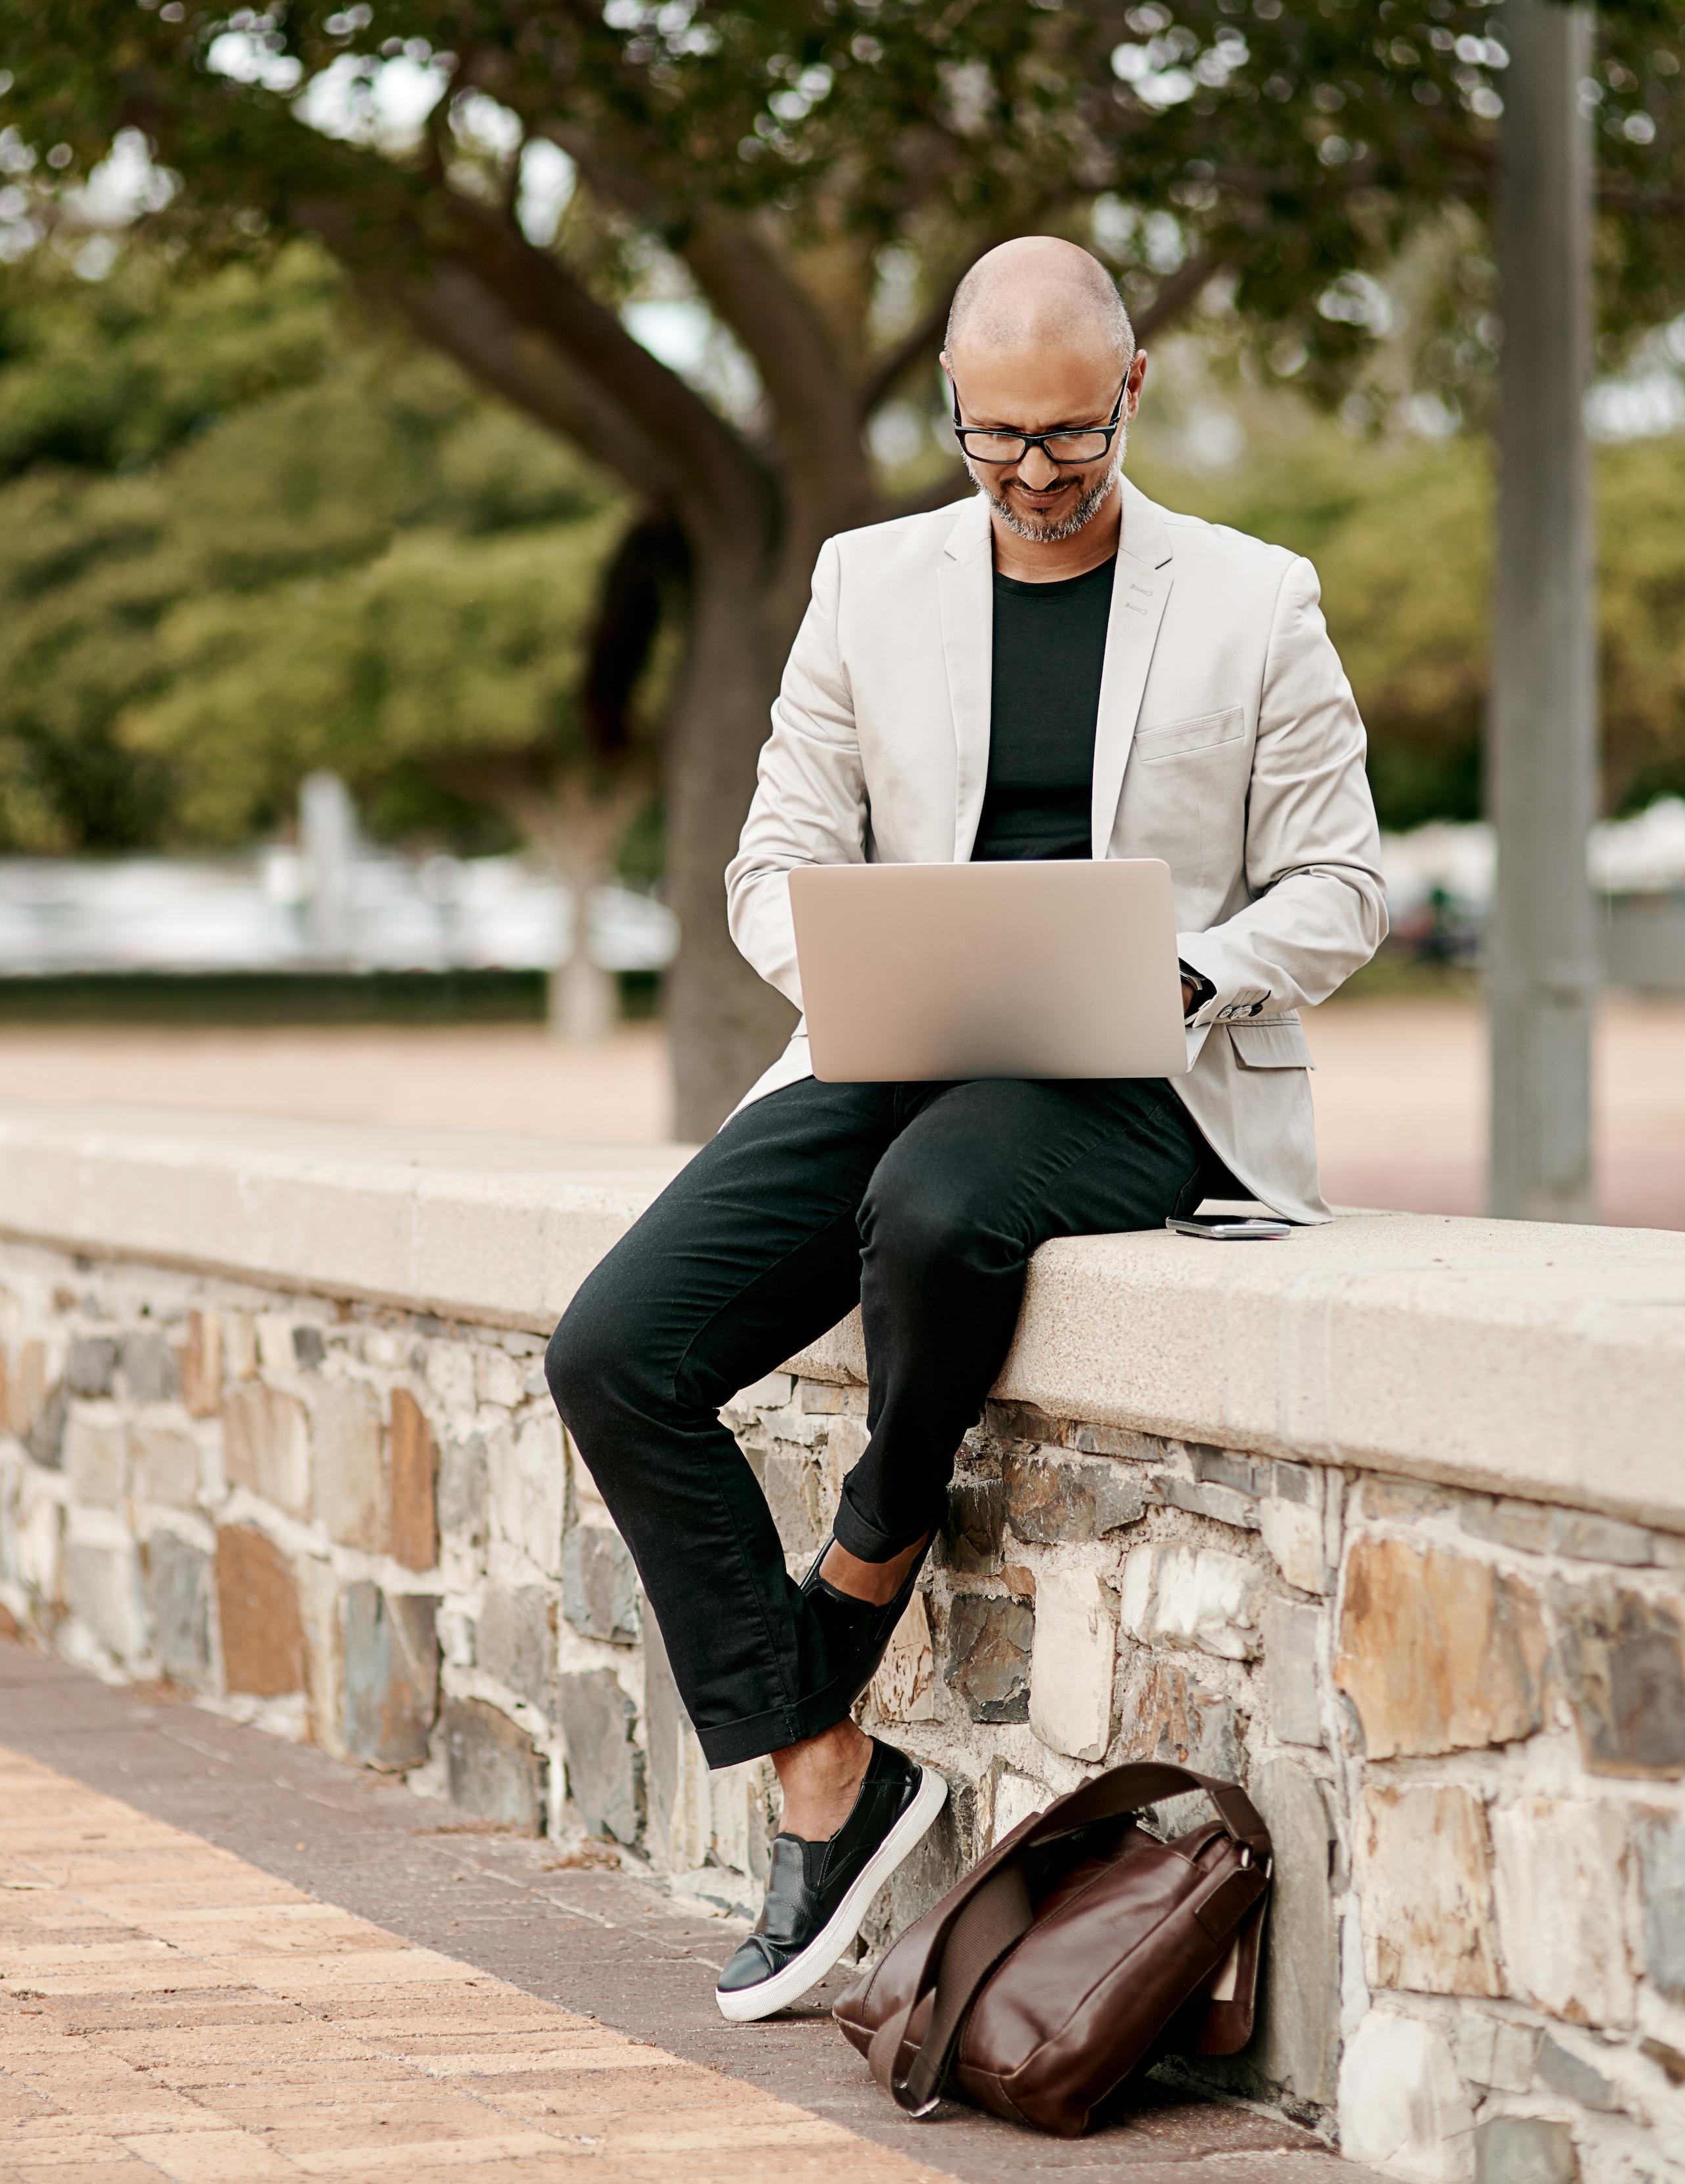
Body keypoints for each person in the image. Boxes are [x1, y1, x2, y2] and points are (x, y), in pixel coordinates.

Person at [542, 237, 1386, 2022]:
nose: (1031, 474)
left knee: (934, 1210)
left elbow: (1343, 889)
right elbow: (771, 862)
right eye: (992, 436)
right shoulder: (866, 585)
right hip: (887, 1042)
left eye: (1069, 436)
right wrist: (842, 971)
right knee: (615, 1353)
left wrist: (1184, 975)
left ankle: (875, 1539)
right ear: (950, 403)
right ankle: (825, 1763)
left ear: (1132, 391)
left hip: (1139, 1077)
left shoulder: (1255, 600)